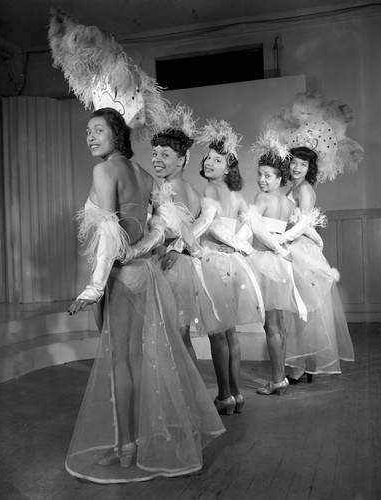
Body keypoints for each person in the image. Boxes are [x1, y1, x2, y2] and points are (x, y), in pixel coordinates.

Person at [49, 10, 225, 484]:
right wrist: (138, 251)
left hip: (122, 280)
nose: (90, 136)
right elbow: (163, 228)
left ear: (117, 133)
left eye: (97, 130)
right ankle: (140, 437)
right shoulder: (146, 175)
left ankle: (126, 446)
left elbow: (109, 231)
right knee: (147, 359)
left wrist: (94, 284)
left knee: (122, 362)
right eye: (87, 131)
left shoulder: (104, 172)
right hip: (147, 277)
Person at [174, 119, 264, 415]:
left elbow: (208, 226)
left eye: (218, 160)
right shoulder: (237, 196)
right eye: (208, 158)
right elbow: (250, 227)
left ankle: (224, 394)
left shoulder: (210, 191)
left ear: (229, 167)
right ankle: (236, 394)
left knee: (217, 333)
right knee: (230, 333)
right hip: (234, 266)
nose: (210, 163)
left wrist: (180, 244)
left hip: (214, 263)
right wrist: (239, 246)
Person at [128, 105, 221, 365]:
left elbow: (184, 229)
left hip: (172, 267)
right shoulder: (185, 186)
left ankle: (187, 395)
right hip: (179, 265)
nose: (157, 158)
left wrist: (176, 248)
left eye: (165, 154)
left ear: (181, 160)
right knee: (179, 335)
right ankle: (189, 394)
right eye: (155, 153)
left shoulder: (173, 188)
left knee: (176, 335)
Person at [278, 146, 355, 381]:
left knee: (305, 310)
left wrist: (280, 238)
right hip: (295, 247)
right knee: (298, 309)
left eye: (303, 164)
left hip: (301, 251)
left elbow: (304, 223)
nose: (297, 167)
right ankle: (302, 364)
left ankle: (305, 365)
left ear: (310, 168)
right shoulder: (294, 187)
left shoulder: (305, 189)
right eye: (294, 162)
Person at [242, 132, 309, 396]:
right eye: (260, 174)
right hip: (279, 265)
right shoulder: (286, 201)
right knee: (278, 325)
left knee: (270, 326)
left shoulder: (262, 199)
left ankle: (278, 378)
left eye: (268, 175)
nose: (261, 179)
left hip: (265, 263)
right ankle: (279, 375)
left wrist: (237, 246)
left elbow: (253, 228)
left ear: (280, 178)